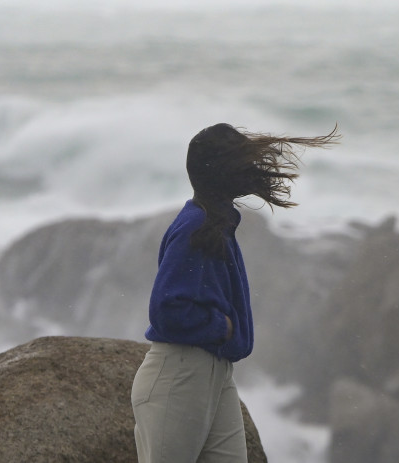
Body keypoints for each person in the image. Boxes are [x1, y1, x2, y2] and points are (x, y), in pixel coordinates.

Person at [130, 123, 339, 463]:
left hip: (215, 373)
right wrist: (222, 327)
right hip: (180, 375)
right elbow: (168, 310)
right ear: (222, 172)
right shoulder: (195, 226)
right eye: (242, 159)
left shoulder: (215, 222)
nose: (252, 166)